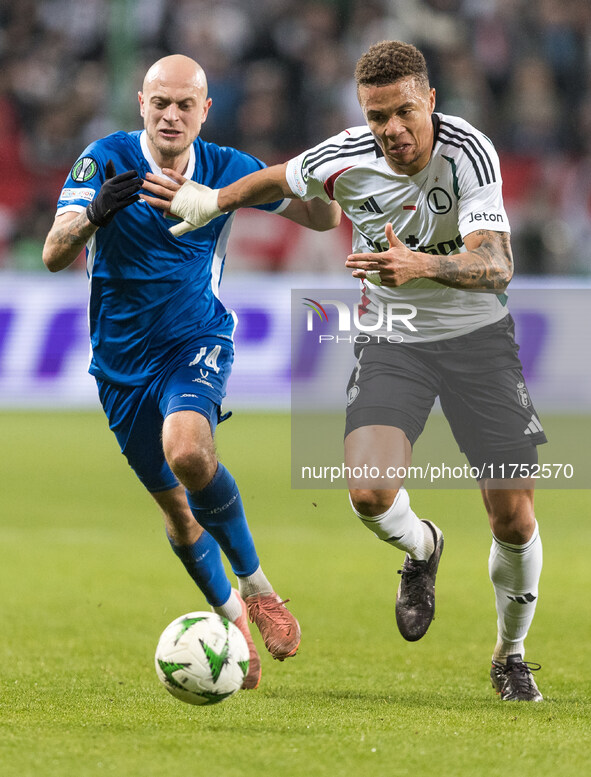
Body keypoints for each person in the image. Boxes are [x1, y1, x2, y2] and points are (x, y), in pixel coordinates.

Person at [140, 41, 547, 702]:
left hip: (477, 340)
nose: (391, 130)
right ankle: (422, 548)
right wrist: (212, 201)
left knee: (511, 518)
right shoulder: (345, 154)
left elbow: (496, 265)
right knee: (367, 493)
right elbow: (277, 178)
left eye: (404, 112)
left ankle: (510, 652)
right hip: (393, 339)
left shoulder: (467, 152)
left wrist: (422, 265)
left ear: (431, 102)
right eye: (376, 115)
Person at [42, 54, 341, 691]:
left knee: (188, 452)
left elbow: (322, 218)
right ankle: (233, 622)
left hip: (195, 340)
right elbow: (51, 253)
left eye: (186, 105)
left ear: (205, 111)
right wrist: (95, 213)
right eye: (161, 103)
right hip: (119, 367)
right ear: (141, 105)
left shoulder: (227, 167)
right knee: (179, 516)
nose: (172, 115)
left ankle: (258, 587)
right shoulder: (104, 159)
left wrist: (321, 185)